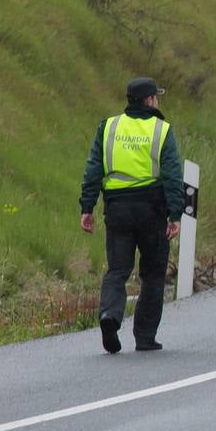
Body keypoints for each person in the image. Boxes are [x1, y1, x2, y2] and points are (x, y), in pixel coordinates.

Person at [79, 77, 185, 354]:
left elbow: (93, 169)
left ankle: (109, 317)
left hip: (117, 210)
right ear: (149, 100)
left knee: (117, 270)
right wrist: (176, 214)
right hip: (151, 209)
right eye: (156, 97)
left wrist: (87, 207)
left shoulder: (109, 127)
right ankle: (145, 337)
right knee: (152, 274)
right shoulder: (161, 130)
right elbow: (173, 175)